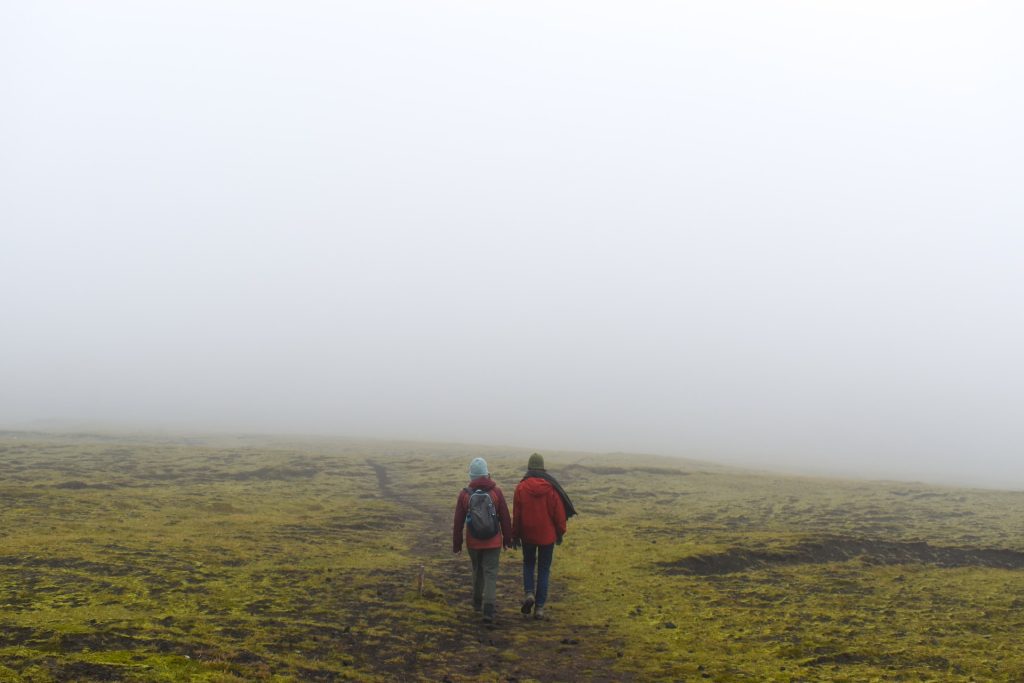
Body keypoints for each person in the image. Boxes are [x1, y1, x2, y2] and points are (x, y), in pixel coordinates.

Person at [512, 453, 576, 620]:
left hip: (527, 535)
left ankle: (529, 594)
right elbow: (559, 514)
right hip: (547, 536)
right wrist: (560, 532)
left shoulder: (521, 487)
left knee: (528, 564)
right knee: (543, 569)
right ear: (542, 467)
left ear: (529, 467)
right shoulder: (551, 488)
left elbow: (517, 515)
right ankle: (539, 608)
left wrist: (515, 535)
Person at [452, 457, 512, 623]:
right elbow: (505, 518)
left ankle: (477, 603)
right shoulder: (496, 492)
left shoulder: (464, 495)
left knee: (477, 570)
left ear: (471, 476)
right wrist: (508, 539)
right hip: (493, 541)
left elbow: (458, 522)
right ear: (487, 474)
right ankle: (489, 608)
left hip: (473, 542)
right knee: (490, 573)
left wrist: (457, 544)